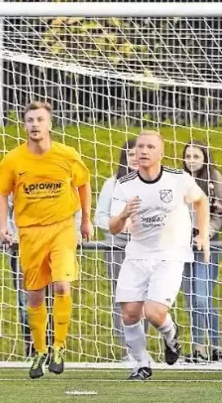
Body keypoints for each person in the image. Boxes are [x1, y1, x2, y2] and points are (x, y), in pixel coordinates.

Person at [0, 101, 92, 378]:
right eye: (29, 120)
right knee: (34, 293)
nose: (35, 124)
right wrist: (3, 226)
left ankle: (59, 347)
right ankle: (39, 351)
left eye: (39, 119)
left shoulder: (67, 155)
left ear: (49, 124)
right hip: (30, 232)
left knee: (62, 285)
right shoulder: (13, 159)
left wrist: (85, 220)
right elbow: (1, 193)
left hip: (62, 227)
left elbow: (83, 184)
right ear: (24, 126)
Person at [109, 130, 210, 380]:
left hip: (170, 254)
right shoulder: (124, 184)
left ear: (161, 152)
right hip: (137, 255)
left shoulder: (178, 179)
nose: (143, 151)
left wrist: (203, 234)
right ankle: (142, 364)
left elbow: (201, 201)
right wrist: (123, 215)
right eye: (140, 147)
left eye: (150, 147)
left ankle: (170, 335)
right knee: (129, 313)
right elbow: (113, 227)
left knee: (154, 313)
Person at [95, 139, 138, 360]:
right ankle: (125, 350)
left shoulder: (156, 182)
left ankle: (141, 348)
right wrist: (119, 224)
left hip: (145, 246)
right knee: (122, 298)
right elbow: (99, 217)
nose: (135, 158)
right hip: (117, 247)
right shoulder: (112, 183)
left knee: (145, 298)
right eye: (130, 154)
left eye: (138, 153)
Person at [180, 139, 222, 362]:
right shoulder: (178, 180)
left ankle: (217, 345)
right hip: (182, 247)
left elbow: (219, 215)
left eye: (196, 156)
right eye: (188, 156)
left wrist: (205, 234)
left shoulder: (215, 179)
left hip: (208, 246)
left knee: (203, 298)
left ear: (204, 158)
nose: (192, 160)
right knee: (190, 298)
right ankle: (199, 348)